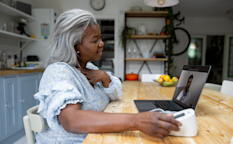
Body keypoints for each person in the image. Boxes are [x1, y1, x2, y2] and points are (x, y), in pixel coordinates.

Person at [34, 9, 182, 143]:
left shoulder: (89, 68)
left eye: (100, 38)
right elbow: (72, 121)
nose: (102, 43)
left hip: (97, 137)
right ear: (75, 46)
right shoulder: (59, 72)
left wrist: (105, 77)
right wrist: (137, 121)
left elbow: (116, 93)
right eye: (95, 40)